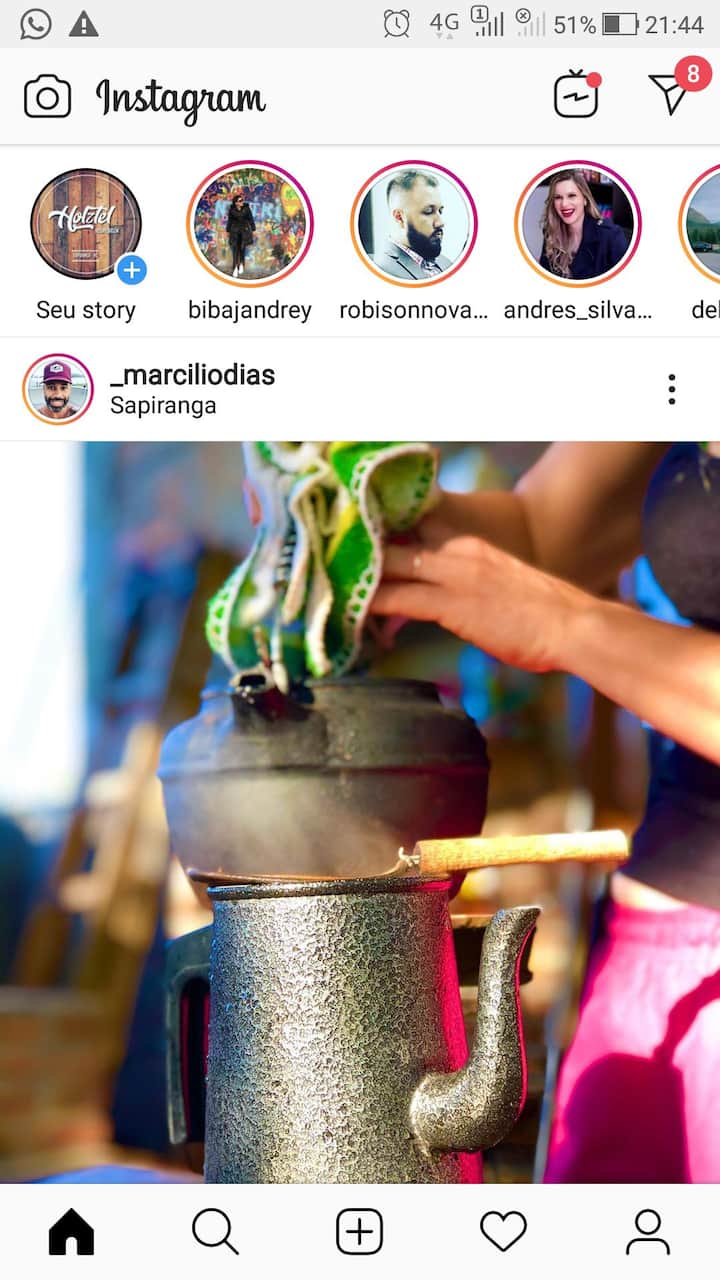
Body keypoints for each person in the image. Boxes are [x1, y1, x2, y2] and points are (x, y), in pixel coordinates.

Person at [369, 441, 720, 1182]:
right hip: (650, 955)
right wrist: (363, 520)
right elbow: (540, 534)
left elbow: (548, 600)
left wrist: (568, 626)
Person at [538, 171, 630, 281]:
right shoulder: (551, 233)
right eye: (558, 197)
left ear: (585, 199)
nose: (564, 204)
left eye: (571, 196)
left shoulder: (611, 236)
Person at [371, 170, 453, 281]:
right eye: (428, 211)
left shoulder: (446, 263)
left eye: (440, 211)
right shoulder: (379, 270)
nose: (440, 223)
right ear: (399, 217)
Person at [226, 191, 256, 278]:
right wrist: (228, 231)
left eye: (242, 200)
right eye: (240, 200)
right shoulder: (232, 210)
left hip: (244, 231)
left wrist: (253, 229)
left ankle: (242, 264)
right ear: (236, 203)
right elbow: (230, 221)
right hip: (235, 231)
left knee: (242, 249)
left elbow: (251, 219)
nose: (242, 202)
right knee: (235, 250)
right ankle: (235, 268)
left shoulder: (246, 208)